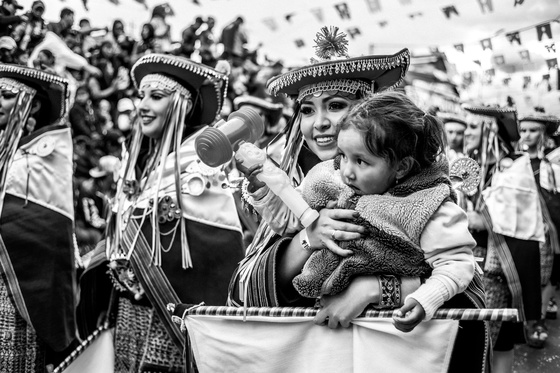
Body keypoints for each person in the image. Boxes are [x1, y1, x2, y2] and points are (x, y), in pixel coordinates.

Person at [229, 27, 489, 372]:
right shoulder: (301, 182)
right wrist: (309, 237)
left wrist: (378, 288)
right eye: (307, 110)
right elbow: (248, 290)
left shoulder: (421, 187)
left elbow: (459, 278)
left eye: (335, 106)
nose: (319, 123)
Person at [81, 53, 245, 372]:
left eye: (155, 97)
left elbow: (214, 255)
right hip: (127, 316)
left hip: (169, 323)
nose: (142, 105)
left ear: (180, 105)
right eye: (141, 95)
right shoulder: (137, 164)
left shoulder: (200, 167)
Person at [0, 64, 77, 372]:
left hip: (17, 294)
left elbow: (45, 231)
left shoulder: (45, 158)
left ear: (32, 106)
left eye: (6, 96)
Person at [462, 104, 542, 372]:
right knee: (487, 340)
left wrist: (476, 217)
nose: (466, 131)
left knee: (493, 338)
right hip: (470, 265)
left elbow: (512, 219)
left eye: (473, 126)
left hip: (494, 268)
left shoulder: (510, 167)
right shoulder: (473, 164)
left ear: (490, 131)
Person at [518, 112, 560, 348]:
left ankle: (538, 320)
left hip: (547, 229)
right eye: (523, 130)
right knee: (525, 275)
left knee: (546, 275)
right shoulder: (513, 161)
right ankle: (525, 318)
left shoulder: (552, 166)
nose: (527, 135)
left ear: (543, 134)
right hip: (521, 228)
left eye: (533, 130)